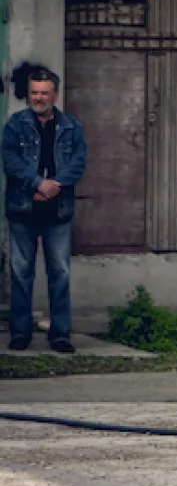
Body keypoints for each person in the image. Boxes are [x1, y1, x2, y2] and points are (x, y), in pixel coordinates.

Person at [4, 64, 84, 353]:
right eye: (34, 93)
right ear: (28, 94)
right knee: (21, 272)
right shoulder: (15, 124)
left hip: (58, 210)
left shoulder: (72, 127)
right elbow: (11, 161)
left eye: (44, 93)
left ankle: (60, 335)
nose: (38, 98)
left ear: (55, 94)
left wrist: (54, 186)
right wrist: (38, 184)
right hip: (23, 208)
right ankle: (21, 333)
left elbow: (78, 163)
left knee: (60, 272)